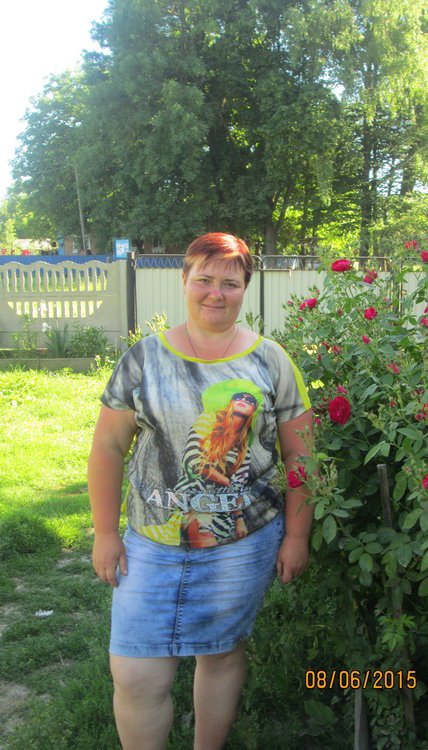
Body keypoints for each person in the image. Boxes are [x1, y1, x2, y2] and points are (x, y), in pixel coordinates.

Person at [88, 232, 313, 750]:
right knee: (135, 674)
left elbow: (303, 457)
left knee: (221, 653)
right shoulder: (143, 359)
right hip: (150, 542)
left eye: (229, 283)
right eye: (204, 279)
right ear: (184, 280)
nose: (216, 293)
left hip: (242, 543)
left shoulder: (272, 361)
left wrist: (297, 536)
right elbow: (107, 447)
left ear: (245, 288)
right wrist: (104, 532)